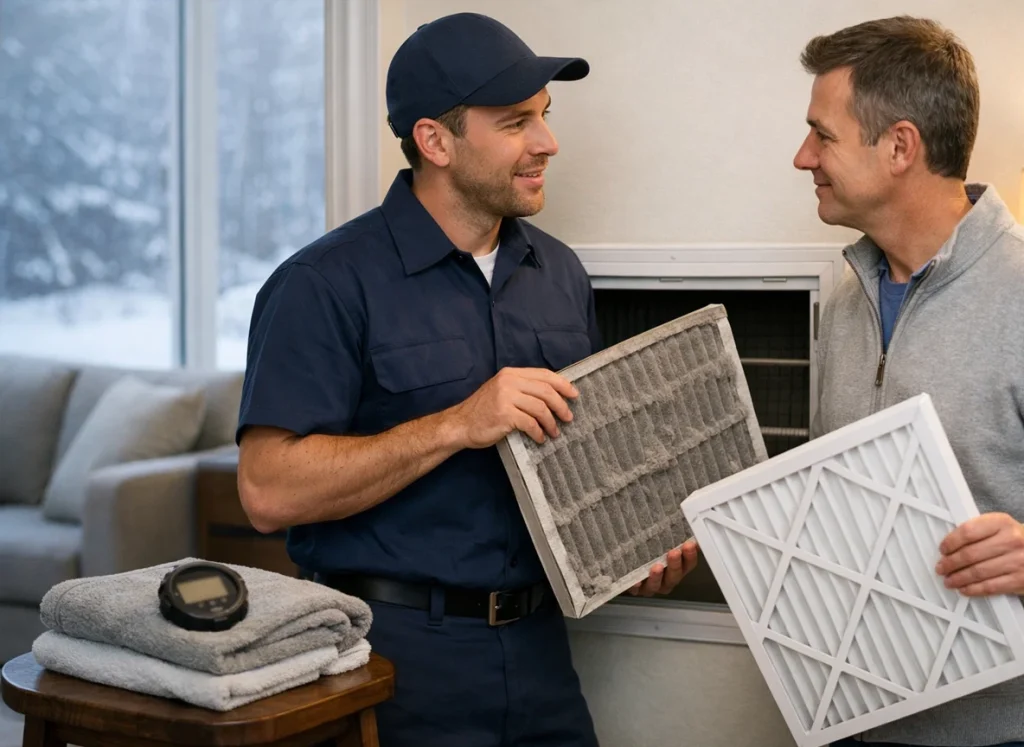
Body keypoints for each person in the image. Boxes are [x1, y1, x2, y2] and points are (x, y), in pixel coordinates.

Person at [235, 12, 698, 746]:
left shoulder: (560, 273)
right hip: (391, 664)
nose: (547, 142)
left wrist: (633, 552)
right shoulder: (321, 284)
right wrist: (458, 422)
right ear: (435, 140)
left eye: (545, 117)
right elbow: (266, 490)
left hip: (544, 657)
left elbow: (580, 470)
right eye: (516, 122)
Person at [794, 16, 1024, 747]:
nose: (803, 158)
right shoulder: (842, 294)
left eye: (822, 135)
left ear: (900, 146)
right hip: (848, 718)